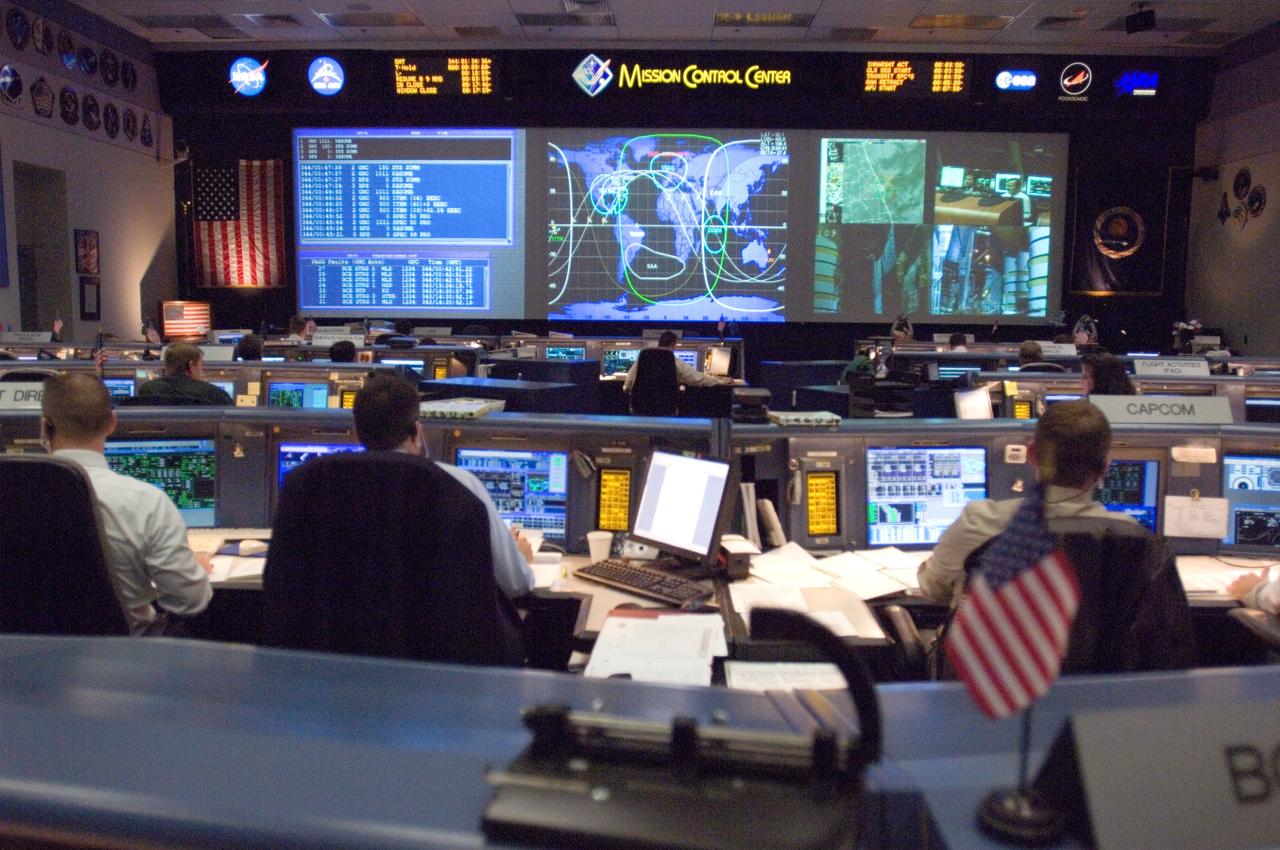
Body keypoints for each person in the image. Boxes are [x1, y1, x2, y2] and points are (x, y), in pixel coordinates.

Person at [41, 372, 212, 634]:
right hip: (127, 661)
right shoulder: (146, 502)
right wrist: (191, 570)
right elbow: (190, 601)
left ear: (44, 427)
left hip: (22, 662)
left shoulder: (12, 493)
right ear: (112, 423)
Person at [918, 400, 1130, 605]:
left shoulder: (979, 521)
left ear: (1032, 454)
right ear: (1105, 466)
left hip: (996, 641)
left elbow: (933, 589)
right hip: (1088, 642)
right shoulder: (1129, 538)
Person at [352, 374, 534, 599]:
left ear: (357, 433)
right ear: (417, 432)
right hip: (442, 633)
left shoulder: (329, 489)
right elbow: (516, 583)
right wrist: (520, 557)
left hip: (351, 630)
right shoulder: (460, 484)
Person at [623, 330, 730, 391]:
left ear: (659, 343)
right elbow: (698, 379)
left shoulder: (643, 359)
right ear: (673, 345)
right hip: (667, 407)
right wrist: (720, 381)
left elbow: (628, 383)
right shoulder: (674, 362)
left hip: (640, 407)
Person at [138, 342, 233, 405]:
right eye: (201, 366)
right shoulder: (214, 394)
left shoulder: (147, 390)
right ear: (191, 366)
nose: (202, 371)